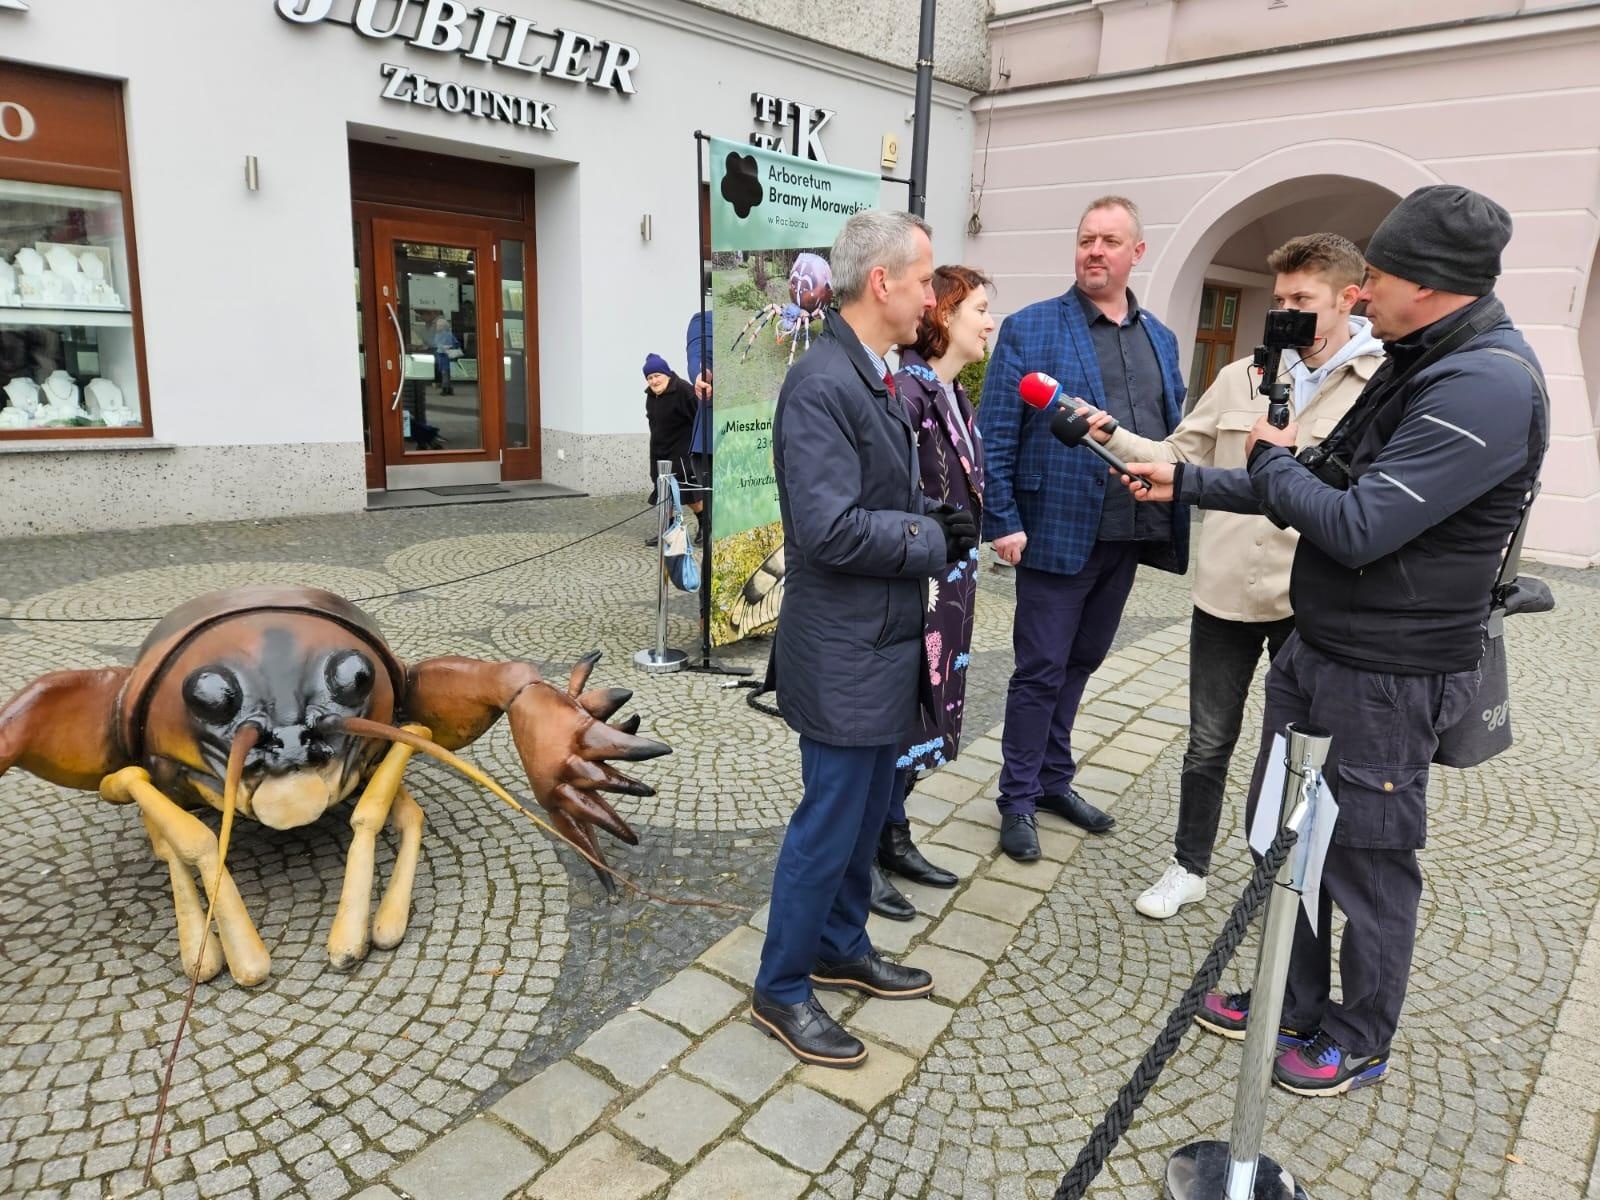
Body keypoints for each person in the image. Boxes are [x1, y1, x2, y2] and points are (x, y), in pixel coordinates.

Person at [1116, 186, 1546, 1096]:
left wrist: (1266, 458)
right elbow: (1321, 476)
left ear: (1427, 285)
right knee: (1282, 834)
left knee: (1364, 859)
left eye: (1376, 277)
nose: (1361, 294)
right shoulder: (1419, 359)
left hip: (1388, 674)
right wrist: (1188, 484)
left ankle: (1355, 1036)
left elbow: (1353, 524)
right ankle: (1294, 999)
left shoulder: (1488, 385)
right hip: (1321, 648)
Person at [1083, 234, 1382, 920]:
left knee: (1296, 753)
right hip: (1223, 593)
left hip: (1307, 603)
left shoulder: (1378, 388)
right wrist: (1107, 433)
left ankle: (1281, 882)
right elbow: (1171, 455)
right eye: (1280, 299)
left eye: (1302, 299)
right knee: (1207, 742)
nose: (1287, 310)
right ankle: (1189, 867)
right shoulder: (1242, 376)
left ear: (1347, 299)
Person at [752, 210, 977, 1069]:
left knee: (860, 822)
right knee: (828, 825)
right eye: (923, 280)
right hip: (844, 651)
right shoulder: (821, 382)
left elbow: (873, 494)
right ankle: (781, 987)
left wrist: (929, 515)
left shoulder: (871, 371)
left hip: (881, 642)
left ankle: (842, 946)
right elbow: (827, 530)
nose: (932, 295)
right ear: (881, 282)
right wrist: (930, 540)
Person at [976, 195, 1189, 863]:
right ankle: (1016, 799)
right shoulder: (1033, 329)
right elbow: (997, 434)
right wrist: (1002, 519)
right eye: (1085, 239)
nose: (1094, 250)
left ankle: (1052, 780)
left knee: (1083, 663)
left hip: (1127, 532)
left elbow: (1172, 430)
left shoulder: (1161, 338)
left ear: (1136, 253)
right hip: (1054, 532)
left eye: (1109, 240)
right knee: (1039, 670)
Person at [870, 266, 996, 921]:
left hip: (950, 583)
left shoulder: (955, 396)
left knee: (923, 711)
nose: (989, 320)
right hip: (916, 586)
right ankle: (865, 852)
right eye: (979, 307)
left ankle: (893, 833)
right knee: (897, 712)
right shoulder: (909, 394)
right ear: (943, 315)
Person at [641, 353, 703, 547]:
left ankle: (706, 526)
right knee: (663, 493)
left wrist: (698, 450)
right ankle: (666, 532)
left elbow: (699, 420)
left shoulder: (685, 391)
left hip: (682, 453)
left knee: (688, 495)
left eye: (657, 375)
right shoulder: (651, 396)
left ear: (667, 374)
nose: (654, 381)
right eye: (650, 378)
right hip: (659, 452)